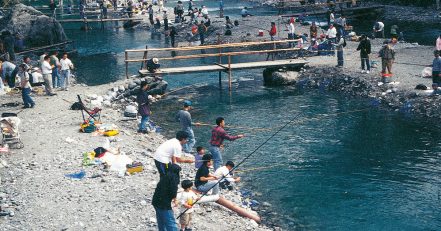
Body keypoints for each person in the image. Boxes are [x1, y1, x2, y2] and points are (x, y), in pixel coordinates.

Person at [152, 163, 181, 231]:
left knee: (161, 220)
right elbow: (173, 191)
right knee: (170, 222)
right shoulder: (173, 178)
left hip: (156, 201)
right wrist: (175, 199)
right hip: (164, 204)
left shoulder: (165, 177)